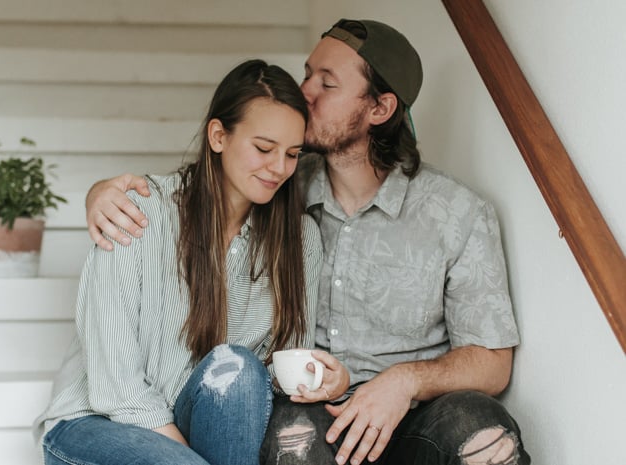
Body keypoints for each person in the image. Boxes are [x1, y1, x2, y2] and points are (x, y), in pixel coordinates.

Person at [84, 19, 531, 465]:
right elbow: (208, 186)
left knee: (483, 430)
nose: (305, 92)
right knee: (293, 436)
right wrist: (103, 193)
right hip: (313, 417)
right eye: (307, 74)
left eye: (327, 83)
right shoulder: (278, 187)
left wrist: (403, 381)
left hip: (414, 416)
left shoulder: (457, 212)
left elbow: (492, 362)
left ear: (379, 108)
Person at [33, 59, 324, 465]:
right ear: (218, 136)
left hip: (197, 433)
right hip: (96, 424)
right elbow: (117, 385)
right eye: (263, 148)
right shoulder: (136, 212)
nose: (279, 168)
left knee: (237, 369)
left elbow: (281, 371)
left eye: (293, 154)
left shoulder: (300, 240)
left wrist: (325, 379)